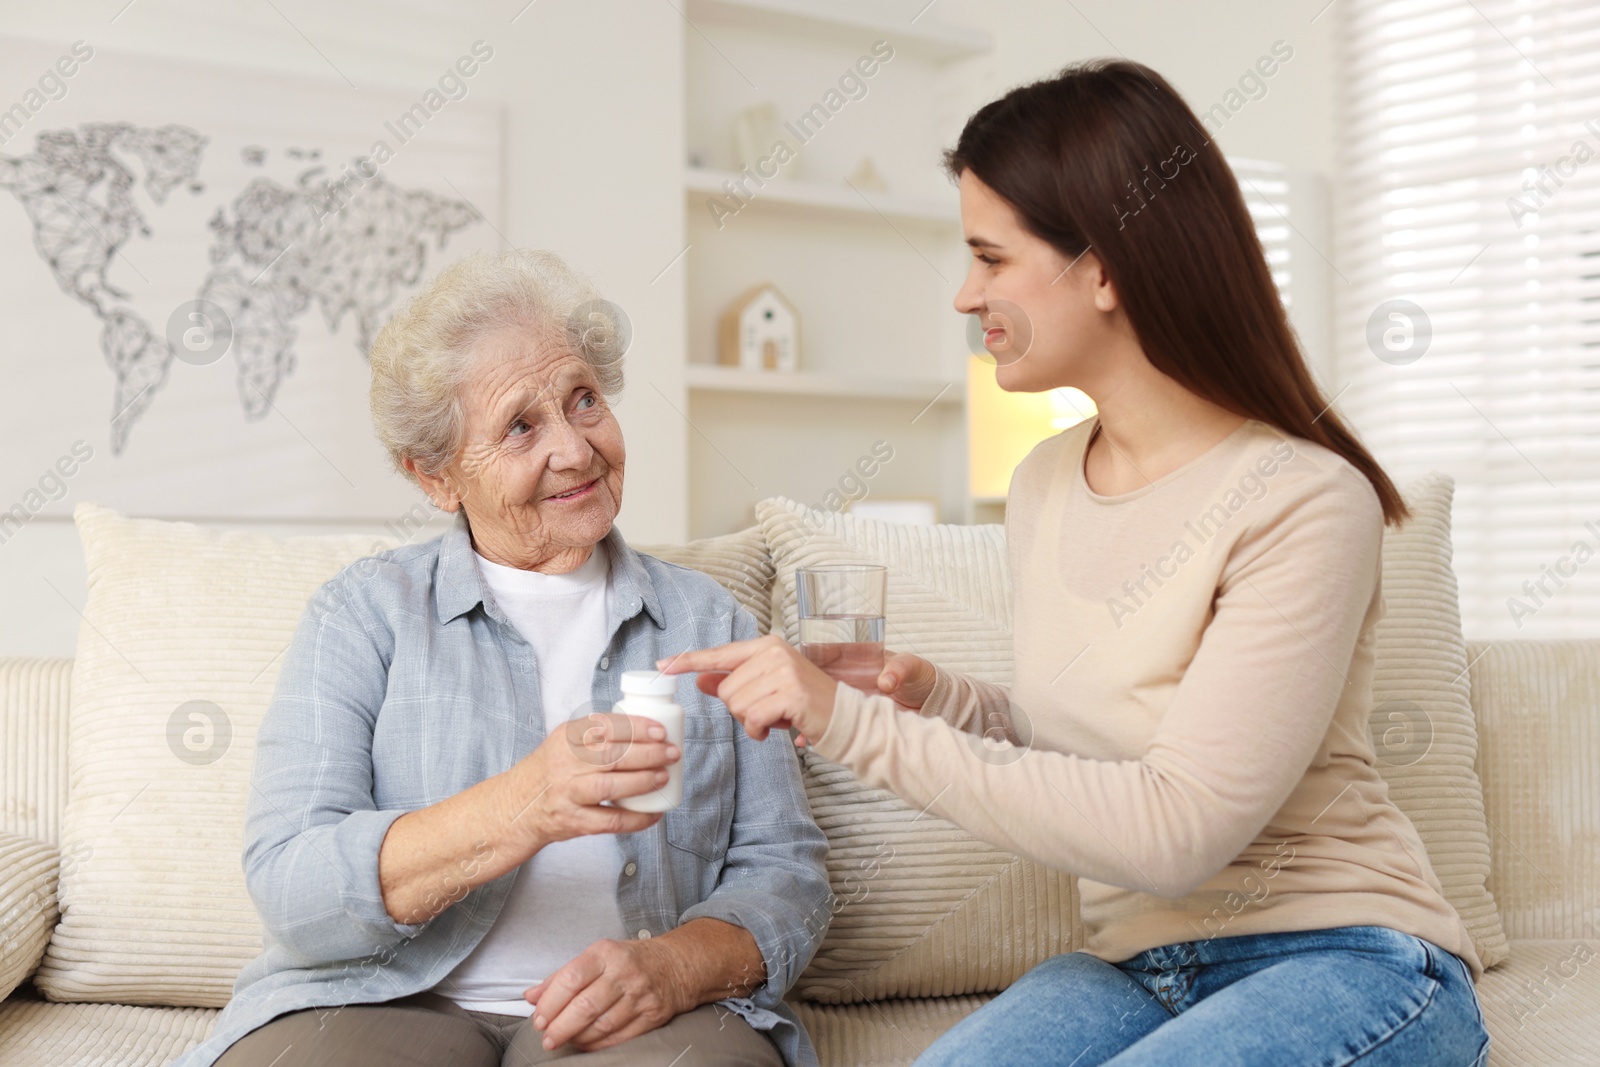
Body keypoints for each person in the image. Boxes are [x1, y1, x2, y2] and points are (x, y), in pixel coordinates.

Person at [660, 60, 1492, 1067]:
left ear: (1102, 267)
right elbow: (1102, 740)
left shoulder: (1304, 499)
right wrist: (942, 699)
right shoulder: (1048, 478)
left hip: (1348, 955)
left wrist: (849, 721)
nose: (966, 294)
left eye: (989, 258)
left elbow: (1175, 828)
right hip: (1135, 965)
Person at [177, 249, 832, 1067]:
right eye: (521, 425)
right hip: (384, 997)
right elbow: (292, 884)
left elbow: (790, 873)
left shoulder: (707, 618)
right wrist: (523, 804)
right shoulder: (363, 614)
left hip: (640, 1018)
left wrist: (674, 963)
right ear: (436, 475)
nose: (575, 448)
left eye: (583, 400)